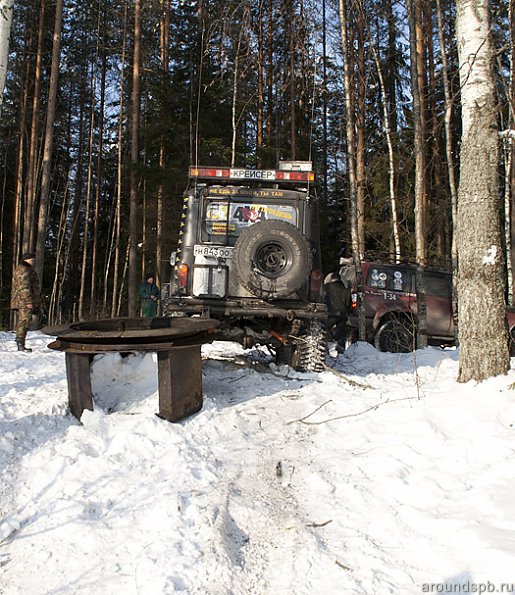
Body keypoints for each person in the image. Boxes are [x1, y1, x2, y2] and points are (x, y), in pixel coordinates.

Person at [10, 252, 41, 352]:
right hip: (23, 301)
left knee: (25, 322)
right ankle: (20, 344)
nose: (34, 261)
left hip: (24, 301)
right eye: (32, 259)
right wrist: (28, 301)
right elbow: (24, 287)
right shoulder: (23, 270)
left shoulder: (27, 269)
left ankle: (21, 343)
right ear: (27, 260)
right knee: (24, 322)